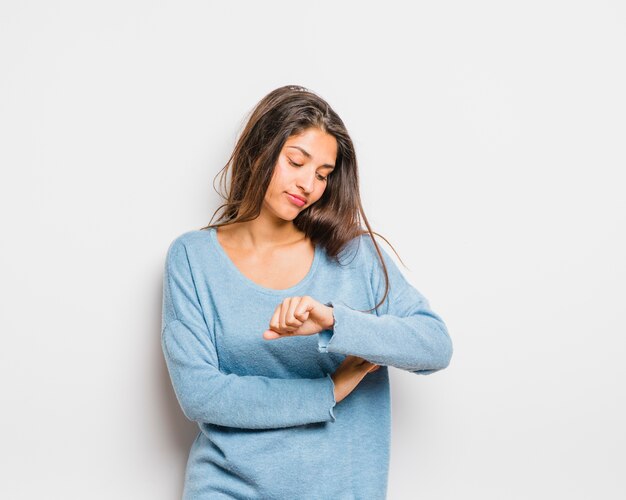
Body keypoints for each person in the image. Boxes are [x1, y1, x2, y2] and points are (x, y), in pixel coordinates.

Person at [160, 85, 453, 499]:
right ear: (259, 150)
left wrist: (335, 322)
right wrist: (329, 390)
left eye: (322, 174)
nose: (308, 185)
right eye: (296, 161)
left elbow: (434, 346)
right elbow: (201, 395)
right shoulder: (193, 258)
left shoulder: (354, 255)